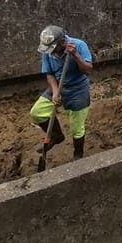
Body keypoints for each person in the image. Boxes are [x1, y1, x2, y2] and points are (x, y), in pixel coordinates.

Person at [30, 25, 93, 160]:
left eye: (53, 49)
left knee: (77, 129)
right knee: (37, 112)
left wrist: (76, 55)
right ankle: (57, 136)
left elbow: (88, 69)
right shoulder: (48, 51)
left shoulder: (79, 45)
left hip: (78, 89)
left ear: (62, 42)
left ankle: (78, 154)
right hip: (59, 86)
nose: (51, 53)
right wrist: (55, 92)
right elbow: (49, 73)